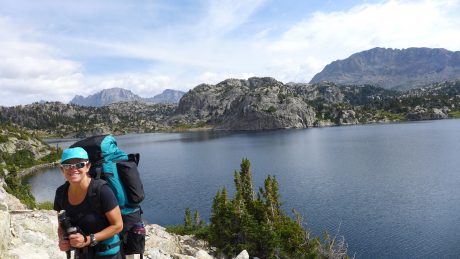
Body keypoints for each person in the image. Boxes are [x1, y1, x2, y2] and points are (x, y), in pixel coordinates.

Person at [54, 147, 124, 259]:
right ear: (62, 170)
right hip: (82, 253)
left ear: (88, 166)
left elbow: (118, 225)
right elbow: (61, 226)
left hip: (106, 254)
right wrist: (62, 240)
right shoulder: (61, 193)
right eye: (67, 166)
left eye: (79, 165)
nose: (73, 169)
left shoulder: (101, 190)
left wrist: (88, 240)